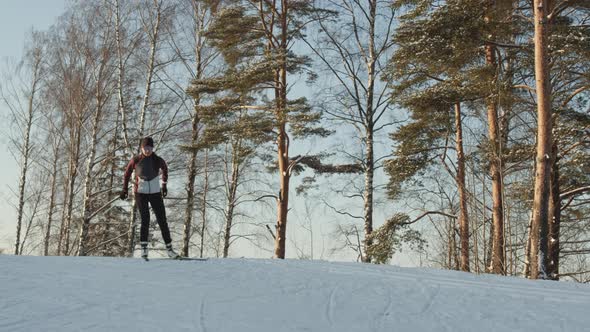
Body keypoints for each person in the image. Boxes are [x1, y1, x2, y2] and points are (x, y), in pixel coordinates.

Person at [120, 137, 179, 260]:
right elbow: (126, 173)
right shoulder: (136, 160)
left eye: (149, 148)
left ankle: (170, 250)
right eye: (145, 148)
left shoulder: (157, 160)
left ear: (152, 148)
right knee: (145, 219)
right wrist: (124, 190)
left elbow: (165, 169)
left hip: (155, 193)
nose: (147, 151)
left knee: (162, 219)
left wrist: (164, 185)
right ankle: (144, 249)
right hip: (140, 193)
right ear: (141, 148)